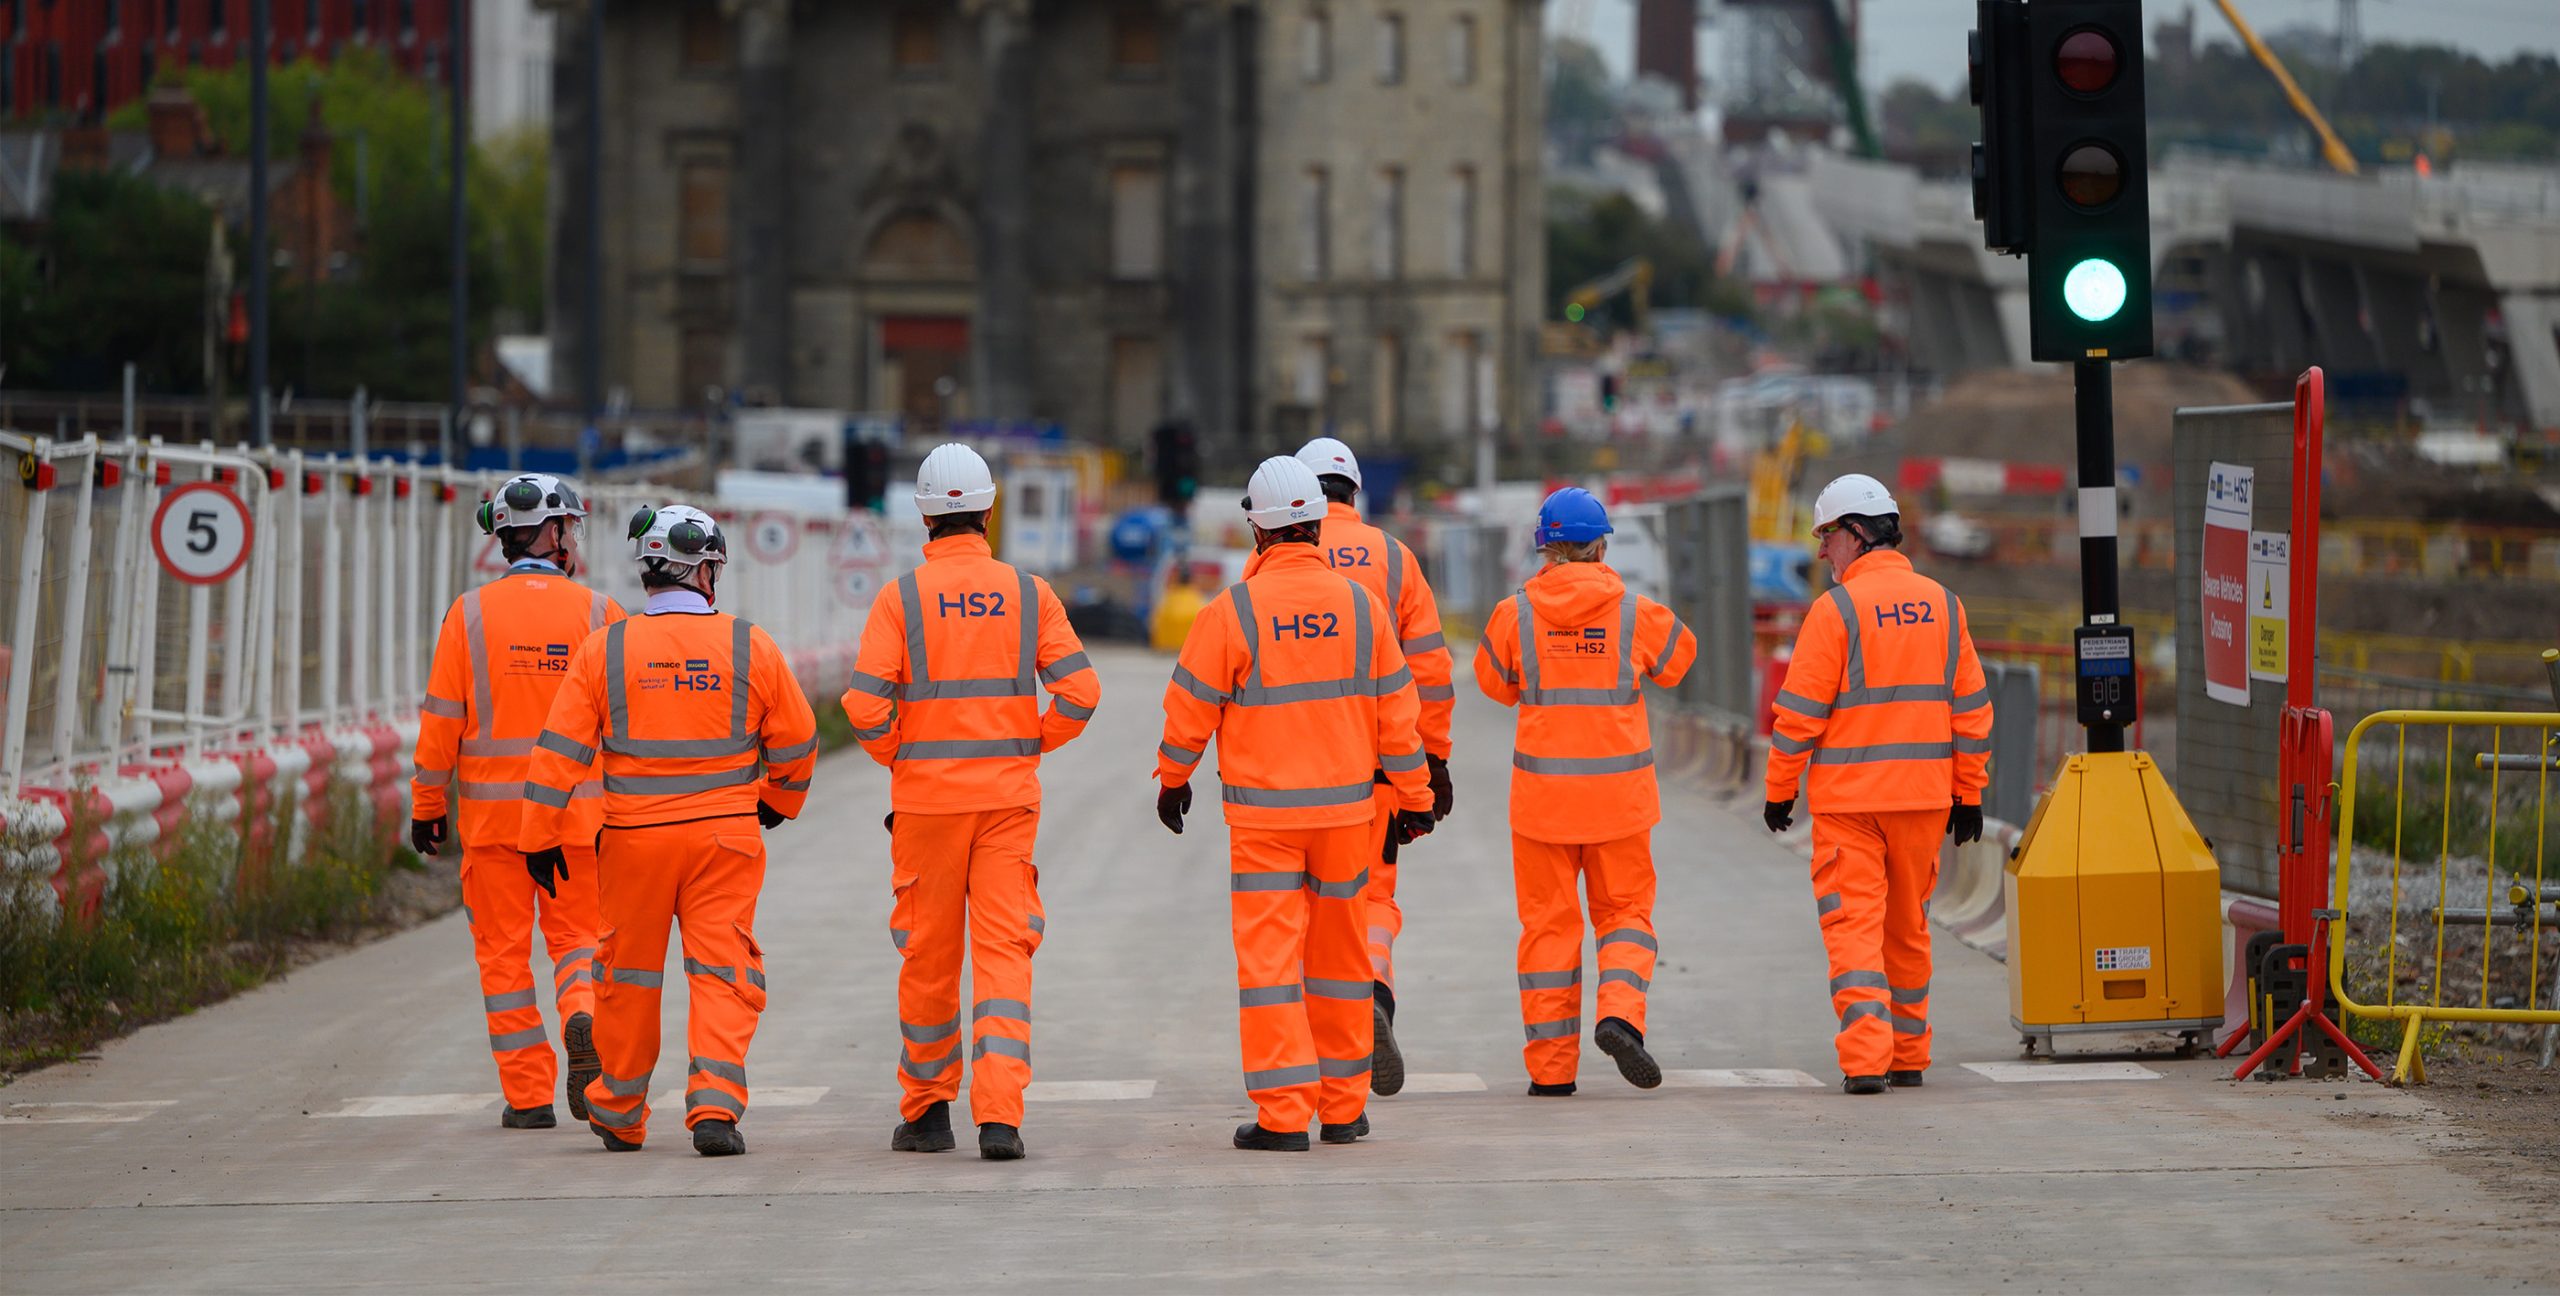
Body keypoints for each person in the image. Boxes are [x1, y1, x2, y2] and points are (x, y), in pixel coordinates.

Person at [1155, 455, 1435, 1151]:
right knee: (1342, 960)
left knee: (1271, 965)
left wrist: (1173, 777)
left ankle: (1283, 1115)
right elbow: (1398, 721)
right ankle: (1344, 1109)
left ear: (1257, 530)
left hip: (1266, 825)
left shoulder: (1233, 612)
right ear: (1315, 523)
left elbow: (1189, 705)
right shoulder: (1363, 608)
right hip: (1347, 819)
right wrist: (1417, 795)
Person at [520, 504, 819, 1155]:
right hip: (725, 842)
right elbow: (797, 739)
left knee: (626, 977)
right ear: (707, 570)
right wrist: (779, 800)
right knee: (721, 971)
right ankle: (713, 1106)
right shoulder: (749, 644)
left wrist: (539, 836)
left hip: (632, 844)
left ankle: (621, 1111)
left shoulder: (608, 649)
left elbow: (558, 752)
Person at [842, 443, 1100, 1163]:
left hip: (926, 808)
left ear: (924, 515)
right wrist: (1029, 744)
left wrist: (902, 754)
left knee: (927, 958)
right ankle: (1001, 1120)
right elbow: (1082, 693)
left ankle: (927, 1114)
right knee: (1003, 959)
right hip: (1007, 804)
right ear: (989, 510)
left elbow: (864, 706)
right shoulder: (1029, 593)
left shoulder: (901, 599)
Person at [1761, 473, 1992, 1095]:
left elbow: (1798, 717)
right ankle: (1910, 1054)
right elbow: (1970, 712)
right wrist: (1970, 793)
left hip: (1850, 807)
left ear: (1857, 534)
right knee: (1908, 927)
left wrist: (1780, 789)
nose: (1820, 552)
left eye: (1827, 536)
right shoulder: (1944, 604)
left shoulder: (1834, 611)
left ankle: (1866, 1060)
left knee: (1853, 927)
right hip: (1921, 802)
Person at [411, 473, 622, 1131]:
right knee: (579, 942)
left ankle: (528, 1097)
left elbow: (441, 719)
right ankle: (581, 1014)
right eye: (571, 528)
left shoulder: (467, 614)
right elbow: (623, 724)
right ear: (554, 532)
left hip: (492, 822)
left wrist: (426, 805)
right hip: (577, 819)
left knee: (502, 955)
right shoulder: (599, 612)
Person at [1472, 488, 1694, 1096]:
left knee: (1548, 929)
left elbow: (1494, 683)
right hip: (1620, 803)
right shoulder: (1635, 613)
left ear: (1545, 546)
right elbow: (1681, 660)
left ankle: (1551, 1074)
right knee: (1625, 915)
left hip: (1542, 804)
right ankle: (1620, 1014)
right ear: (1601, 545)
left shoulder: (1513, 614)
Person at [1294, 437, 1454, 1097]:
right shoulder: (1394, 559)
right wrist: (1433, 761)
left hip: (1296, 769)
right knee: (1374, 898)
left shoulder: (1276, 555)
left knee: (1308, 910)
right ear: (1355, 492)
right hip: (1382, 766)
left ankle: (1316, 1059)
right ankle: (1376, 995)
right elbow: (1432, 673)